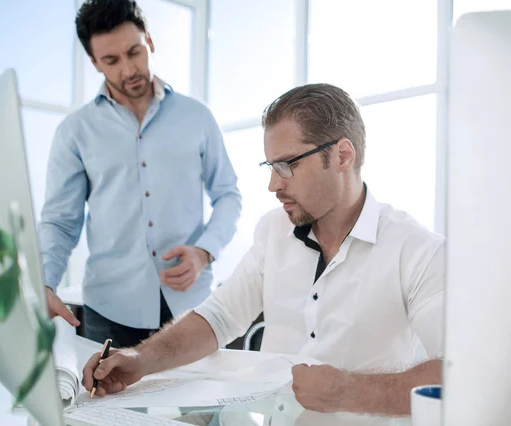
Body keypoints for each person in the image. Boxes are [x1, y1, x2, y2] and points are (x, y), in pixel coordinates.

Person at [81, 83, 445, 416]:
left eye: (287, 165)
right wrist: (139, 359)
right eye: (270, 167)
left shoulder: (416, 251)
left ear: (343, 156)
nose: (273, 184)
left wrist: (349, 392)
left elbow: (461, 370)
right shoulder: (273, 230)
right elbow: (219, 317)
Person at [39, 0, 241, 348]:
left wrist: (204, 251)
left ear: (149, 40)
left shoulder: (197, 117)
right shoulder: (75, 131)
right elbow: (60, 221)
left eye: (134, 52)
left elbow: (228, 195)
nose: (128, 69)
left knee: (200, 404)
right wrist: (44, 282)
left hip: (191, 304)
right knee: (112, 403)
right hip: (109, 311)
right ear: (94, 62)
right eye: (111, 61)